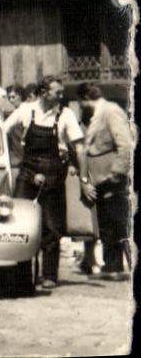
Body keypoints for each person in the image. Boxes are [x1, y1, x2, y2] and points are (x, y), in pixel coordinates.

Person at [4, 74, 87, 292]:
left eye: (62, 92)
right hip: (28, 171)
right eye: (57, 92)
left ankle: (49, 275)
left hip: (53, 173)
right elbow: (2, 130)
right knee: (20, 221)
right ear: (43, 93)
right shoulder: (26, 110)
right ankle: (21, 272)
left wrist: (84, 178)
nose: (61, 96)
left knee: (52, 226)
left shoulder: (66, 115)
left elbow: (79, 148)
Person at [80, 82, 132, 281]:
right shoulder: (96, 114)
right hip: (100, 178)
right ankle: (110, 265)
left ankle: (115, 266)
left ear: (86, 98)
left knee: (114, 221)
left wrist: (116, 172)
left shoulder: (110, 111)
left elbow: (124, 143)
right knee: (106, 223)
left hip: (111, 176)